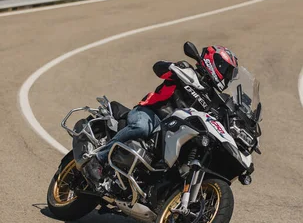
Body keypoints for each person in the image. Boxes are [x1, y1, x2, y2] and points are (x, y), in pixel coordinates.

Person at [83, 44, 238, 185]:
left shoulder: (214, 99)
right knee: (141, 127)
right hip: (152, 114)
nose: (226, 76)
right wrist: (171, 67)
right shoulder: (187, 71)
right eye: (226, 70)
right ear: (214, 63)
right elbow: (158, 68)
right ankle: (98, 159)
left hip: (174, 131)